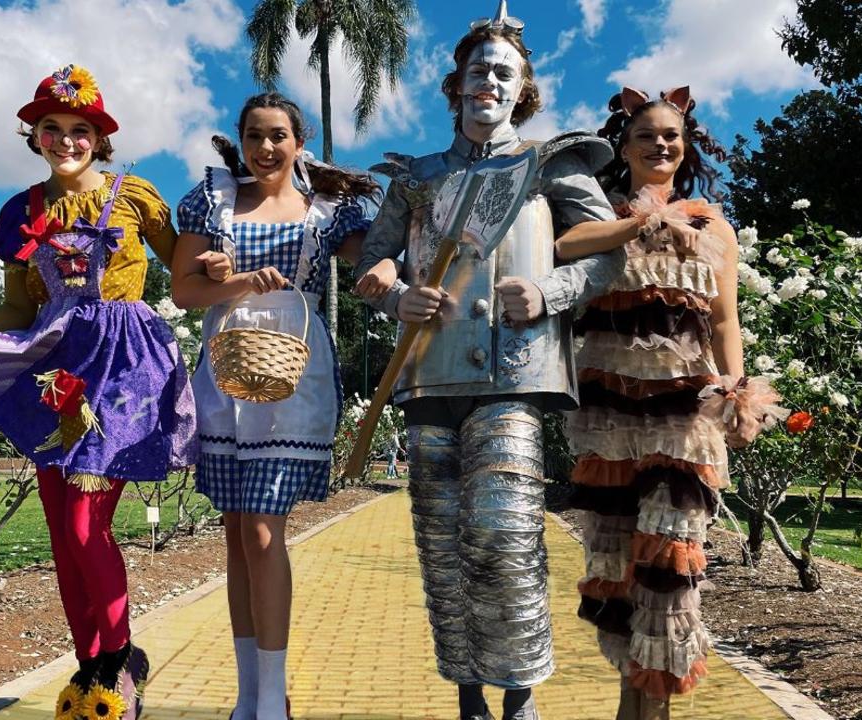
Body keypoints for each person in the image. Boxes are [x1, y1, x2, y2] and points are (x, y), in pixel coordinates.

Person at [0, 64, 197, 720]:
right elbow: (14, 314)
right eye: (52, 129)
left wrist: (228, 275)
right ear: (35, 136)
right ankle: (89, 673)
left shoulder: (135, 196)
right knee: (61, 531)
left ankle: (121, 661)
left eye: (79, 130)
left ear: (99, 136)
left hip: (123, 371)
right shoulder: (20, 214)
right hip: (57, 375)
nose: (66, 141)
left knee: (88, 525)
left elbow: (187, 274)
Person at [356, 3, 625, 718]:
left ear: (522, 89)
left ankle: (519, 697)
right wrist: (393, 295)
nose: (490, 82)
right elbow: (373, 259)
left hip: (516, 374)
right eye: (479, 70)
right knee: (441, 541)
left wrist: (549, 290)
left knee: (504, 532)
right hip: (429, 372)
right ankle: (469, 694)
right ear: (457, 84)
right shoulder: (417, 177)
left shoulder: (549, 163)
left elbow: (607, 254)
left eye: (504, 72)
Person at [556, 86, 782, 720]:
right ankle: (633, 705)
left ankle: (644, 713)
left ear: (686, 149)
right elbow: (562, 250)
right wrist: (638, 224)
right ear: (623, 146)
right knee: (623, 568)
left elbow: (725, 319)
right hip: (609, 420)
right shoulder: (596, 217)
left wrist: (737, 387)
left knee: (668, 566)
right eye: (647, 134)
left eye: (672, 136)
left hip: (685, 417)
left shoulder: (713, 226)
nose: (661, 144)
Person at [169, 92, 379, 720]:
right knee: (236, 537)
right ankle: (250, 693)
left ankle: (271, 700)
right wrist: (236, 281)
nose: (266, 148)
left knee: (263, 528)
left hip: (292, 377)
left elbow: (375, 258)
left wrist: (395, 262)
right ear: (241, 137)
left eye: (278, 136)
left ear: (299, 140)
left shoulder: (327, 211)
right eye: (255, 135)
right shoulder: (211, 200)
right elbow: (183, 291)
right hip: (227, 372)